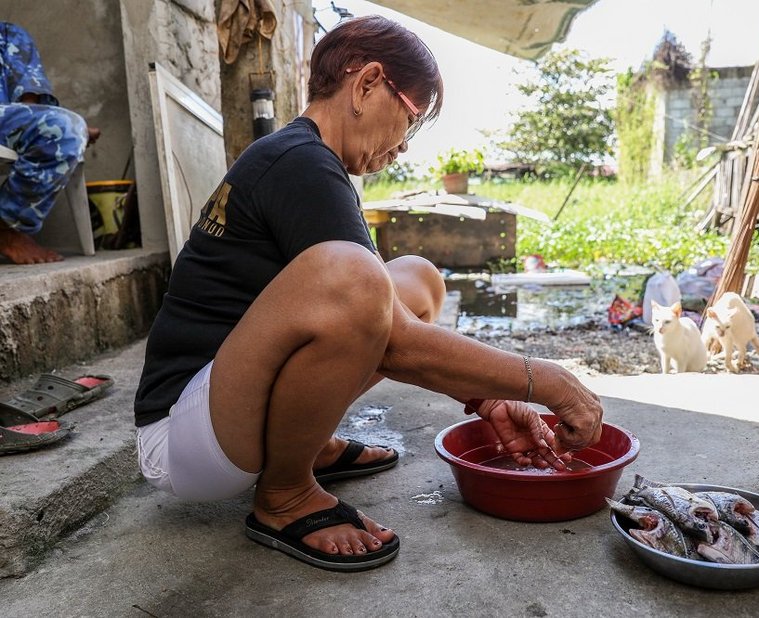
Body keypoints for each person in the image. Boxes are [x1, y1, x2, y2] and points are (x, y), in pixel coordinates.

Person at [133, 14, 604, 572]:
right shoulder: (298, 164)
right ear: (367, 83)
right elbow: (389, 337)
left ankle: (304, 442)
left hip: (225, 407)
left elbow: (385, 322)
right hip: (189, 438)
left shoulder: (310, 160)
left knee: (416, 279)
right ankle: (284, 496)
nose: (404, 145)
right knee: (357, 278)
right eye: (412, 118)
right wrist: (547, 381)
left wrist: (490, 397)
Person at [0, 21, 99, 265]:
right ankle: (7, 232)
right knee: (67, 127)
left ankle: (6, 228)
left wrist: (46, 123)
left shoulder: (6, 35)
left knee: (65, 129)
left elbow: (29, 98)